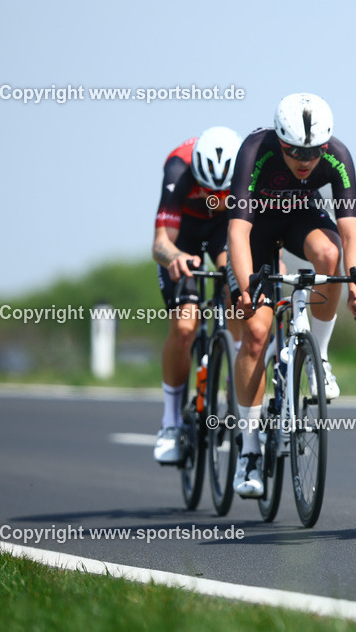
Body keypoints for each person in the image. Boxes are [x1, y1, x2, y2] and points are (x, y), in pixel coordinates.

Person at [227, 93, 356, 498]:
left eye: (313, 152)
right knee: (256, 334)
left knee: (329, 254)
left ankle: (320, 358)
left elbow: (351, 233)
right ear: (279, 140)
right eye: (294, 151)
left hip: (300, 219)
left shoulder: (337, 156)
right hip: (256, 228)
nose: (304, 160)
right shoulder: (255, 149)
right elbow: (237, 231)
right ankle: (250, 450)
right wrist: (246, 288)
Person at [152, 126, 242, 464]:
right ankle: (171, 422)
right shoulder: (178, 168)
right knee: (185, 327)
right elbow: (160, 243)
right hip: (184, 236)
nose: (215, 199)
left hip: (224, 231)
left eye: (223, 192)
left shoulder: (247, 164)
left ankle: (237, 382)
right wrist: (175, 258)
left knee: (237, 281)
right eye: (208, 190)